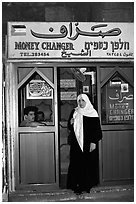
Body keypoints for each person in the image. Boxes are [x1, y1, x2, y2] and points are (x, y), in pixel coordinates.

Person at [67, 94, 102, 194]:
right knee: (76, 164)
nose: (81, 103)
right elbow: (70, 128)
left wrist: (94, 142)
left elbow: (96, 130)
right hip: (76, 143)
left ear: (87, 101)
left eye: (83, 100)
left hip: (88, 143)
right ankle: (76, 186)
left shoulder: (92, 112)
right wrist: (71, 123)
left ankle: (87, 185)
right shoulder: (75, 111)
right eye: (79, 101)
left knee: (88, 163)